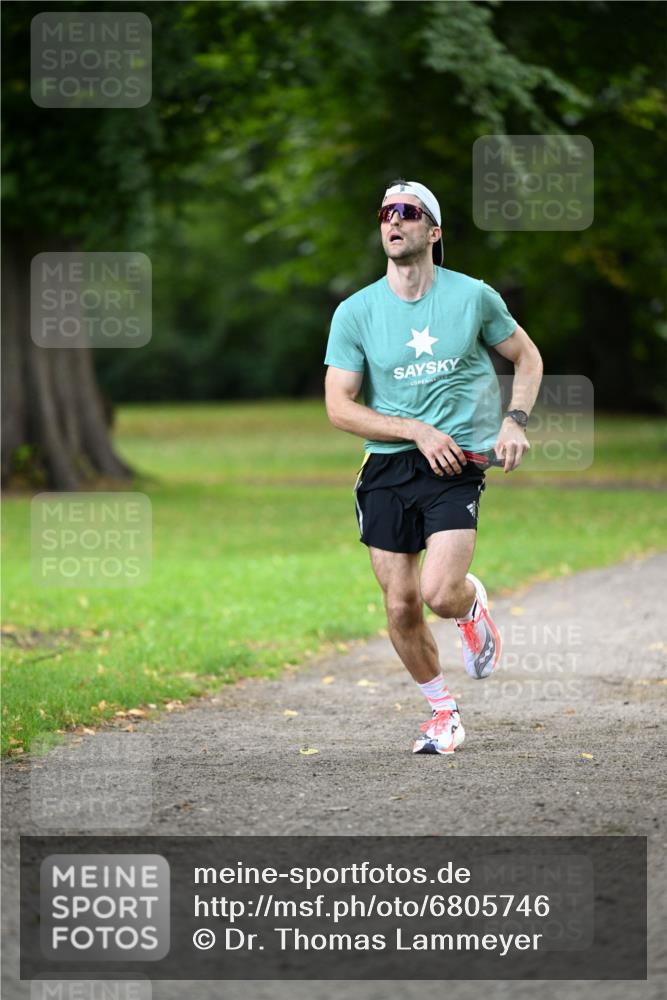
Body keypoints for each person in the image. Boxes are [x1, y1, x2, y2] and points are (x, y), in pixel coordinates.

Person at [324, 179, 543, 754]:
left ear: (433, 230)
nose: (394, 221)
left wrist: (515, 420)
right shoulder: (356, 312)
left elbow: (527, 357)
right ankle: (444, 715)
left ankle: (471, 606)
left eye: (409, 212)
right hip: (388, 469)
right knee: (400, 603)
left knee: (438, 593)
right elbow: (339, 407)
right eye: (386, 213)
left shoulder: (473, 297)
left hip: (455, 464)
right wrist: (415, 430)